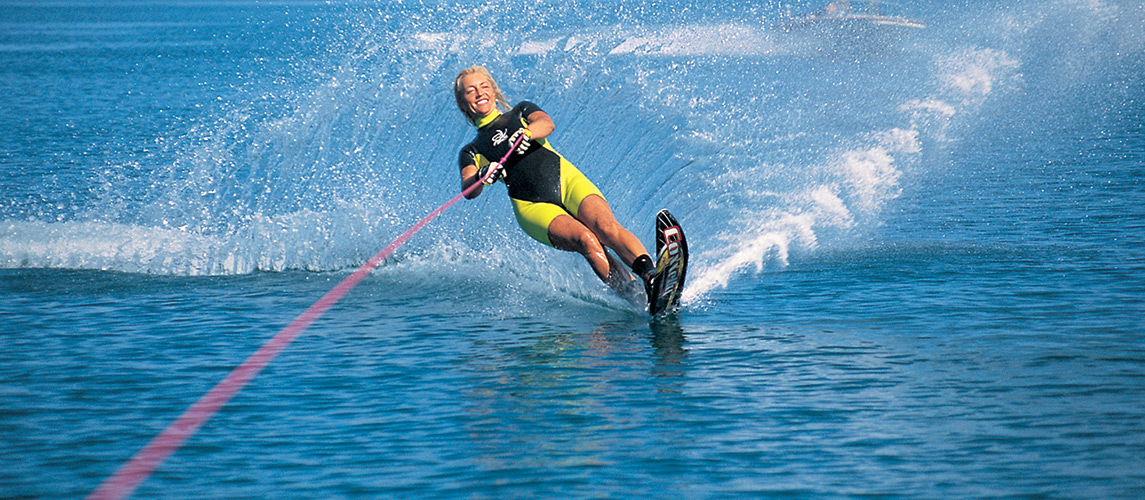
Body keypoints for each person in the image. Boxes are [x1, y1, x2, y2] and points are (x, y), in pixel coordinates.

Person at [453, 66, 655, 293]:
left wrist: (528, 133)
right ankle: (634, 295)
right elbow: (468, 188)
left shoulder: (521, 111)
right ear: (462, 102)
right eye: (470, 91)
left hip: (565, 180)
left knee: (605, 227)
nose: (480, 93)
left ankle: (651, 276)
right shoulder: (471, 150)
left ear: (493, 91)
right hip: (532, 206)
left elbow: (546, 123)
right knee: (586, 240)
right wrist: (481, 175)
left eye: (484, 86)